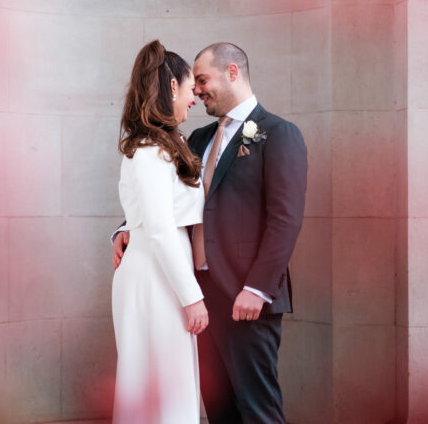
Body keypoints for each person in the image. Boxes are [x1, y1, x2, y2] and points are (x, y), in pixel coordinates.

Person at [114, 42, 308, 424]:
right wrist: (126, 228)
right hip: (196, 297)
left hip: (243, 296)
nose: (198, 91)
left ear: (232, 72)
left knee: (258, 409)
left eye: (203, 80)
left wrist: (258, 288)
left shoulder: (279, 134)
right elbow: (162, 200)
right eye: (194, 83)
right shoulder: (193, 139)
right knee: (217, 410)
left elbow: (285, 219)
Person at [111, 39, 210, 423]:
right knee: (161, 390)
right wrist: (191, 298)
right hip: (154, 277)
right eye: (189, 88)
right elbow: (158, 229)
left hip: (161, 270)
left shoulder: (166, 144)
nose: (194, 98)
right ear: (171, 87)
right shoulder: (151, 149)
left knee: (172, 388)